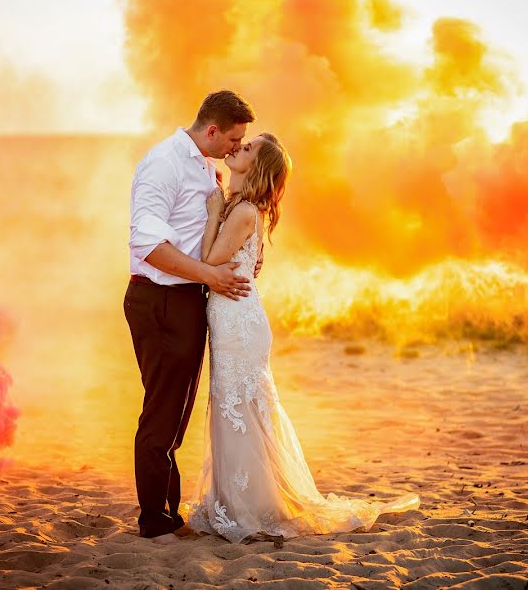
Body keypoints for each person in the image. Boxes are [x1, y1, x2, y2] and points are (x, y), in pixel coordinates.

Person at [184, 132, 420, 543]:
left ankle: (251, 508)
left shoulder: (240, 211)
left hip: (238, 322)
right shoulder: (243, 208)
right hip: (233, 317)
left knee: (237, 408)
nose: (239, 147)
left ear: (257, 167)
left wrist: (212, 211)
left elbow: (207, 262)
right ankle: (244, 502)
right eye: (244, 142)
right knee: (236, 408)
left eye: (249, 147)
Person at [124, 90, 262, 545]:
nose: (236, 148)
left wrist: (242, 260)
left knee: (176, 413)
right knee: (162, 412)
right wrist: (211, 275)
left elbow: (207, 229)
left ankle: (167, 509)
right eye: (234, 139)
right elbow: (147, 245)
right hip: (160, 300)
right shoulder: (164, 163)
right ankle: (153, 520)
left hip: (187, 300)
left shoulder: (205, 164)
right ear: (212, 130)